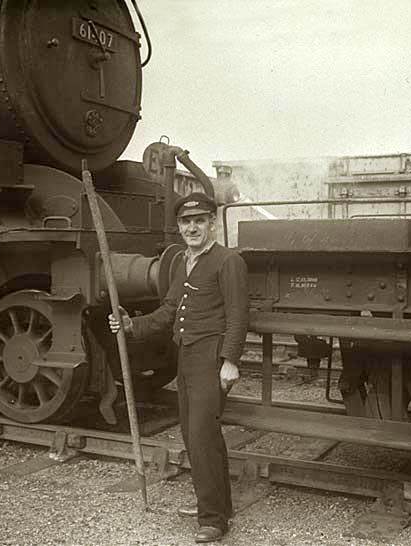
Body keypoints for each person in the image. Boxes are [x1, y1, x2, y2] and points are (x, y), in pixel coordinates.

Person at [109, 192, 249, 543]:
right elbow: (169, 311)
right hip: (186, 358)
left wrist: (230, 361)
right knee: (196, 435)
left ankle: (213, 519)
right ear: (179, 228)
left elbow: (237, 315)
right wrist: (131, 326)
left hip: (210, 359)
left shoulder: (227, 261)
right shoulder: (186, 262)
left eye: (199, 220)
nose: (192, 227)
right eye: (186, 222)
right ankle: (217, 505)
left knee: (202, 436)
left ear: (212, 223)